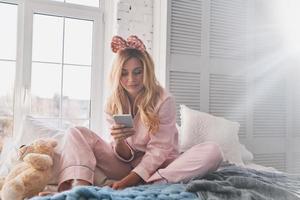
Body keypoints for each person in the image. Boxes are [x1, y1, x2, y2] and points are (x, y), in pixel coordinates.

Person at [53, 35, 223, 192]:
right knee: (75, 132)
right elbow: (124, 156)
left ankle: (152, 183)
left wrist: (128, 182)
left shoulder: (164, 100)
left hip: (161, 166)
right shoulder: (112, 103)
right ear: (117, 74)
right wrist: (119, 141)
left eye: (137, 72)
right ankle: (79, 189)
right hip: (125, 166)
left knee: (213, 151)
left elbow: (159, 150)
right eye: (124, 73)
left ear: (146, 71)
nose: (131, 79)